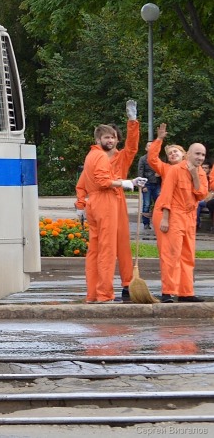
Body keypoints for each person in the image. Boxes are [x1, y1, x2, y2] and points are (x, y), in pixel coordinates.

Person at [74, 101, 143, 304]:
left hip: (116, 200)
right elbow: (83, 184)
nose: (111, 140)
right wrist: (80, 205)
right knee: (107, 248)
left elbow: (132, 146)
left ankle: (127, 285)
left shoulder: (120, 157)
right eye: (108, 137)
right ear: (100, 139)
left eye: (114, 137)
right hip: (109, 198)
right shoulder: (98, 157)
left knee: (121, 246)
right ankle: (104, 292)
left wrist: (132, 121)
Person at [148, 125, 209, 302]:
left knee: (188, 255)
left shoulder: (200, 173)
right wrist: (165, 219)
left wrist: (195, 175)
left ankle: (186, 292)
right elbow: (166, 195)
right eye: (197, 154)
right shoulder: (174, 170)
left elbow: (201, 194)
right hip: (172, 214)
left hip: (189, 217)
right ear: (188, 154)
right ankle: (168, 292)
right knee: (170, 254)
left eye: (203, 155)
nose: (200, 157)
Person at [139, 154, 161, 232]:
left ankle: (158, 222)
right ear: (146, 148)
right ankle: (146, 224)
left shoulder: (158, 158)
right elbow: (140, 172)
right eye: (149, 146)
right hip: (147, 184)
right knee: (146, 204)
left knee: (159, 204)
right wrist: (143, 186)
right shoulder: (143, 158)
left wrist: (160, 174)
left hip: (157, 184)